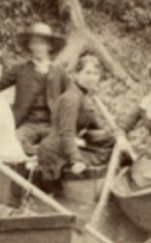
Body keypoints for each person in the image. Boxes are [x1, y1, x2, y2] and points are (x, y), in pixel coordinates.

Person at [35, 50, 116, 187]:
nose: (92, 78)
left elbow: (96, 126)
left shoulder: (83, 96)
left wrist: (114, 136)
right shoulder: (71, 98)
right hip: (55, 152)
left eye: (95, 74)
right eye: (87, 73)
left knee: (112, 149)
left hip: (66, 146)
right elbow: (67, 132)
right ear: (76, 74)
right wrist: (76, 159)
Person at [0, 21, 66, 155]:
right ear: (29, 46)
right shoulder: (20, 70)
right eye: (34, 42)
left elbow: (74, 95)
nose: (38, 47)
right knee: (13, 143)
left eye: (42, 42)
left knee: (63, 145)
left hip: (51, 125)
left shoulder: (59, 72)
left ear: (50, 46)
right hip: (27, 125)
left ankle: (41, 155)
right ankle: (34, 157)